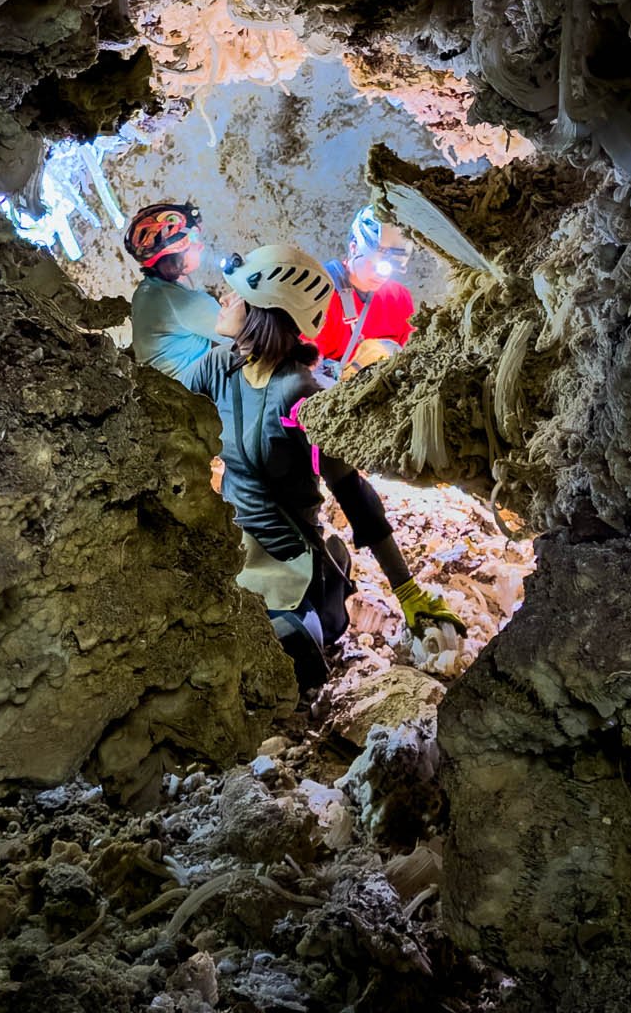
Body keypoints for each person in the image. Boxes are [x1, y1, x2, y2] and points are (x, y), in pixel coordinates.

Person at [182, 241, 463, 692]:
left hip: (283, 558)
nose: (225, 299)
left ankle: (321, 597)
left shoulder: (299, 395)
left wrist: (409, 593)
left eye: (237, 294)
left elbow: (351, 490)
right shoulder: (219, 366)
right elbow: (165, 425)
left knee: (271, 662)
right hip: (229, 542)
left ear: (265, 310)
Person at [311, 205, 417, 379]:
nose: (380, 275)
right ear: (354, 248)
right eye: (375, 264)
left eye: (391, 268)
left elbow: (413, 351)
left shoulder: (399, 298)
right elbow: (300, 369)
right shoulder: (318, 294)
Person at [125, 200, 222, 385]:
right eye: (192, 239)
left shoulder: (146, 291)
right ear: (172, 256)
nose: (200, 245)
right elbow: (244, 335)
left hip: (165, 389)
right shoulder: (185, 304)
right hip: (197, 396)